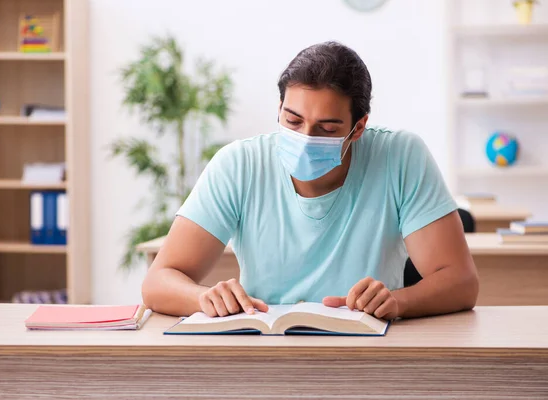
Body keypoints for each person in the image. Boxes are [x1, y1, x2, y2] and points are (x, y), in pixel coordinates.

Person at [142, 41, 479, 320]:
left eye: (327, 129)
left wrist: (398, 302)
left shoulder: (400, 155)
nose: (305, 138)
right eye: (293, 120)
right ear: (279, 109)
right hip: (264, 346)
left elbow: (461, 282)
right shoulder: (239, 164)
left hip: (369, 348)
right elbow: (158, 281)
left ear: (358, 127)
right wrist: (204, 297)